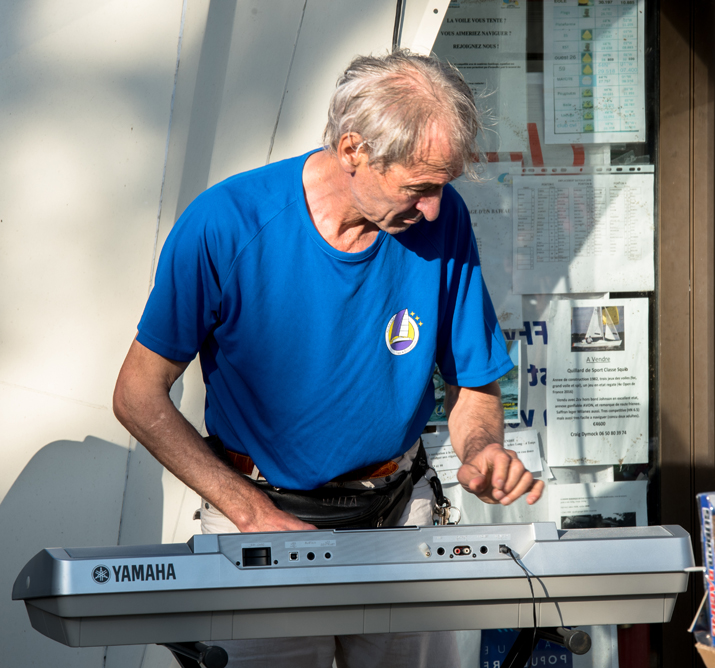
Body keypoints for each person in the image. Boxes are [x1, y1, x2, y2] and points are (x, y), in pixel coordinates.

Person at [113, 50, 544, 668]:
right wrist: (249, 511)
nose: (433, 208)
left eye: (441, 188)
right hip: (261, 527)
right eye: (419, 188)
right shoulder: (228, 224)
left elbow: (471, 382)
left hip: (400, 520)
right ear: (353, 151)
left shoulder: (442, 219)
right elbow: (137, 395)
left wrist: (480, 449)